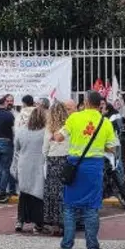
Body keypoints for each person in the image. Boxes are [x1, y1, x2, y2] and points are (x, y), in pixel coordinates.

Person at [55, 90, 116, 249]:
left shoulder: (74, 118)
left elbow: (59, 137)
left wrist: (55, 132)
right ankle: (92, 247)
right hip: (94, 167)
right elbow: (111, 147)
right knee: (91, 207)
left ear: (86, 102)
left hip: (75, 165)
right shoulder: (105, 122)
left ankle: (67, 246)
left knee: (69, 206)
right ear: (99, 105)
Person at [12, 102, 48, 233]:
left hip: (24, 164)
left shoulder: (21, 131)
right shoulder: (45, 132)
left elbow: (16, 148)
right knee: (38, 195)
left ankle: (20, 220)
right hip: (39, 165)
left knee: (24, 193)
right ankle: (38, 223)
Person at [42, 99, 73, 234]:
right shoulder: (68, 125)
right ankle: (66, 220)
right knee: (65, 191)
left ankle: (53, 221)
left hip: (53, 160)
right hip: (66, 159)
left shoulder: (50, 127)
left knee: (52, 192)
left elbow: (45, 148)